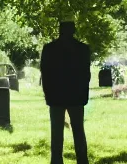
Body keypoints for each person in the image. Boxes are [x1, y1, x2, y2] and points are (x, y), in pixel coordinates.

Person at [40, 21, 91, 164]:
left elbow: (45, 73)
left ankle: (56, 161)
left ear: (60, 30)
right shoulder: (83, 49)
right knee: (78, 131)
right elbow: (86, 75)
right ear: (73, 31)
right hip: (76, 95)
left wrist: (47, 93)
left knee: (56, 132)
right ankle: (82, 160)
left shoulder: (49, 49)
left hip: (56, 95)